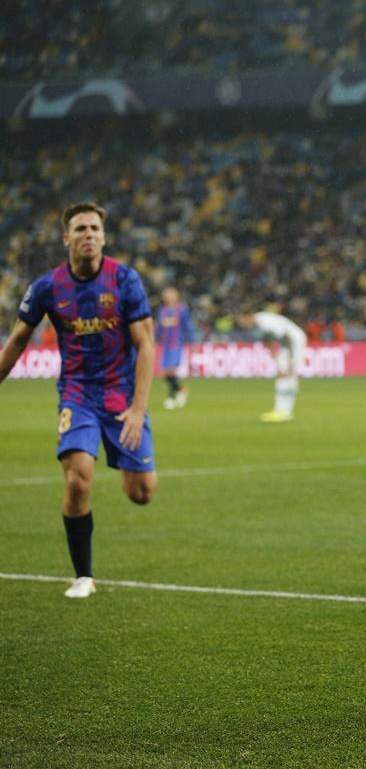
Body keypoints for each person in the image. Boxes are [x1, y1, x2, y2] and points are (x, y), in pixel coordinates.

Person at [0, 202, 157, 599]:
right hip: (77, 395)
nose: (89, 234)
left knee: (142, 494)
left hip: (121, 396)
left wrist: (138, 410)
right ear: (66, 238)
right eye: (81, 228)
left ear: (104, 237)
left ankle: (128, 465)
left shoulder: (124, 280)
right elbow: (18, 341)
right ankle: (83, 576)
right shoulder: (47, 287)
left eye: (94, 228)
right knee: (76, 479)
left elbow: (146, 345)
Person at [237, 309, 307, 422]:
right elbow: (267, 337)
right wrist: (272, 352)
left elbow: (287, 337)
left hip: (294, 341)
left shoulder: (266, 321)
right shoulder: (258, 323)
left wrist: (289, 360)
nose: (242, 325)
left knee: (287, 373)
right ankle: (283, 411)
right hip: (287, 342)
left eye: (243, 321)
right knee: (284, 373)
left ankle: (283, 411)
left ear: (249, 316)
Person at [156, 286, 193, 409]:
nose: (167, 296)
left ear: (176, 296)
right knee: (165, 372)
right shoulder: (162, 310)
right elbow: (159, 328)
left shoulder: (181, 310)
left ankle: (171, 397)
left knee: (170, 370)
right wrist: (155, 340)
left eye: (170, 294)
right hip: (165, 345)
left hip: (176, 344)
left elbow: (187, 326)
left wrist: (191, 341)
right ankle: (181, 390)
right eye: (166, 294)